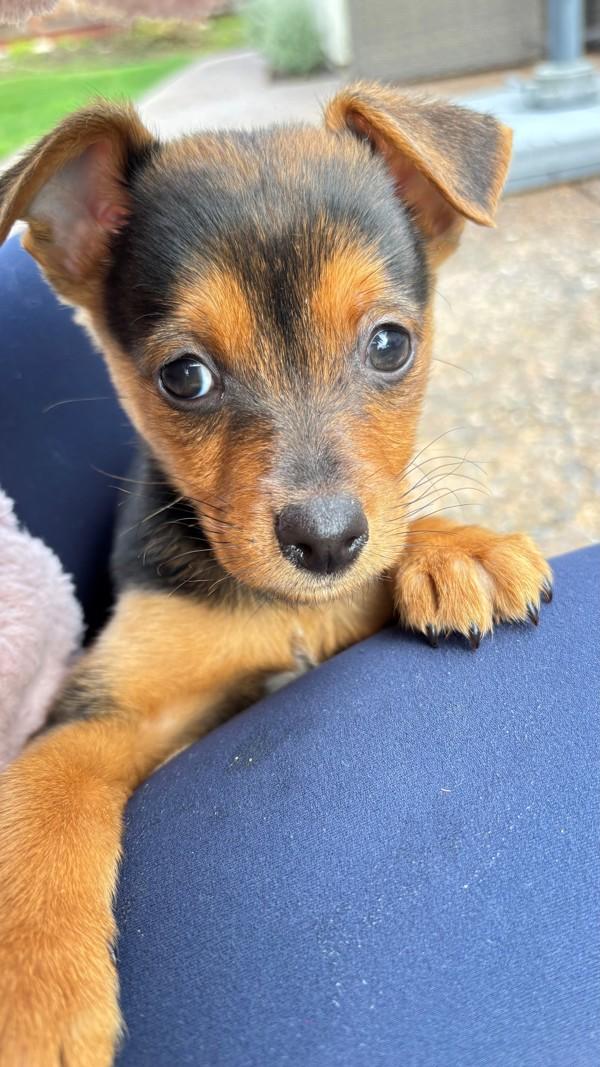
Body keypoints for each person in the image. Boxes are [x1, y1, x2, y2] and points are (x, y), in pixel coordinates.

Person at [1, 234, 598, 1067]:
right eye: (191, 375)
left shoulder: (373, 531)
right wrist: (30, 954)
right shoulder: (170, 576)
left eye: (382, 346)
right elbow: (89, 737)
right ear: (85, 247)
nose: (323, 511)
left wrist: (421, 538)